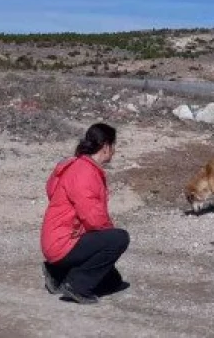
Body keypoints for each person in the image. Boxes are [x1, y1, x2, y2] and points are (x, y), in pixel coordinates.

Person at [39, 122, 130, 304]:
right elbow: (93, 218)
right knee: (119, 239)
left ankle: (56, 273)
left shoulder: (77, 165)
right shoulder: (84, 172)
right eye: (113, 146)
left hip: (60, 239)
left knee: (112, 282)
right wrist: (110, 234)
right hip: (64, 241)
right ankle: (76, 285)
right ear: (105, 147)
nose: (114, 151)